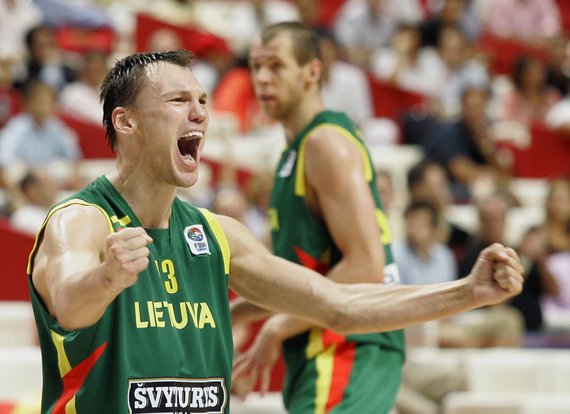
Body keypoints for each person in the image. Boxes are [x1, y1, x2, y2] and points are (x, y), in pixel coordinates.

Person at [27, 50, 524, 413]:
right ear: (126, 122)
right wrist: (107, 277)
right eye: (179, 100)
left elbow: (341, 307)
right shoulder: (81, 219)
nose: (200, 111)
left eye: (202, 100)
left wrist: (467, 292)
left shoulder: (218, 234)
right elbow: (70, 304)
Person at [229, 23, 517, 414]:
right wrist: (235, 314)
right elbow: (301, 280)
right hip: (325, 344)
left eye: (276, 66)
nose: (262, 78)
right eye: (256, 66)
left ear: (312, 72)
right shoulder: (294, 153)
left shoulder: (325, 143)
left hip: (347, 347)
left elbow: (365, 265)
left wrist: (278, 325)